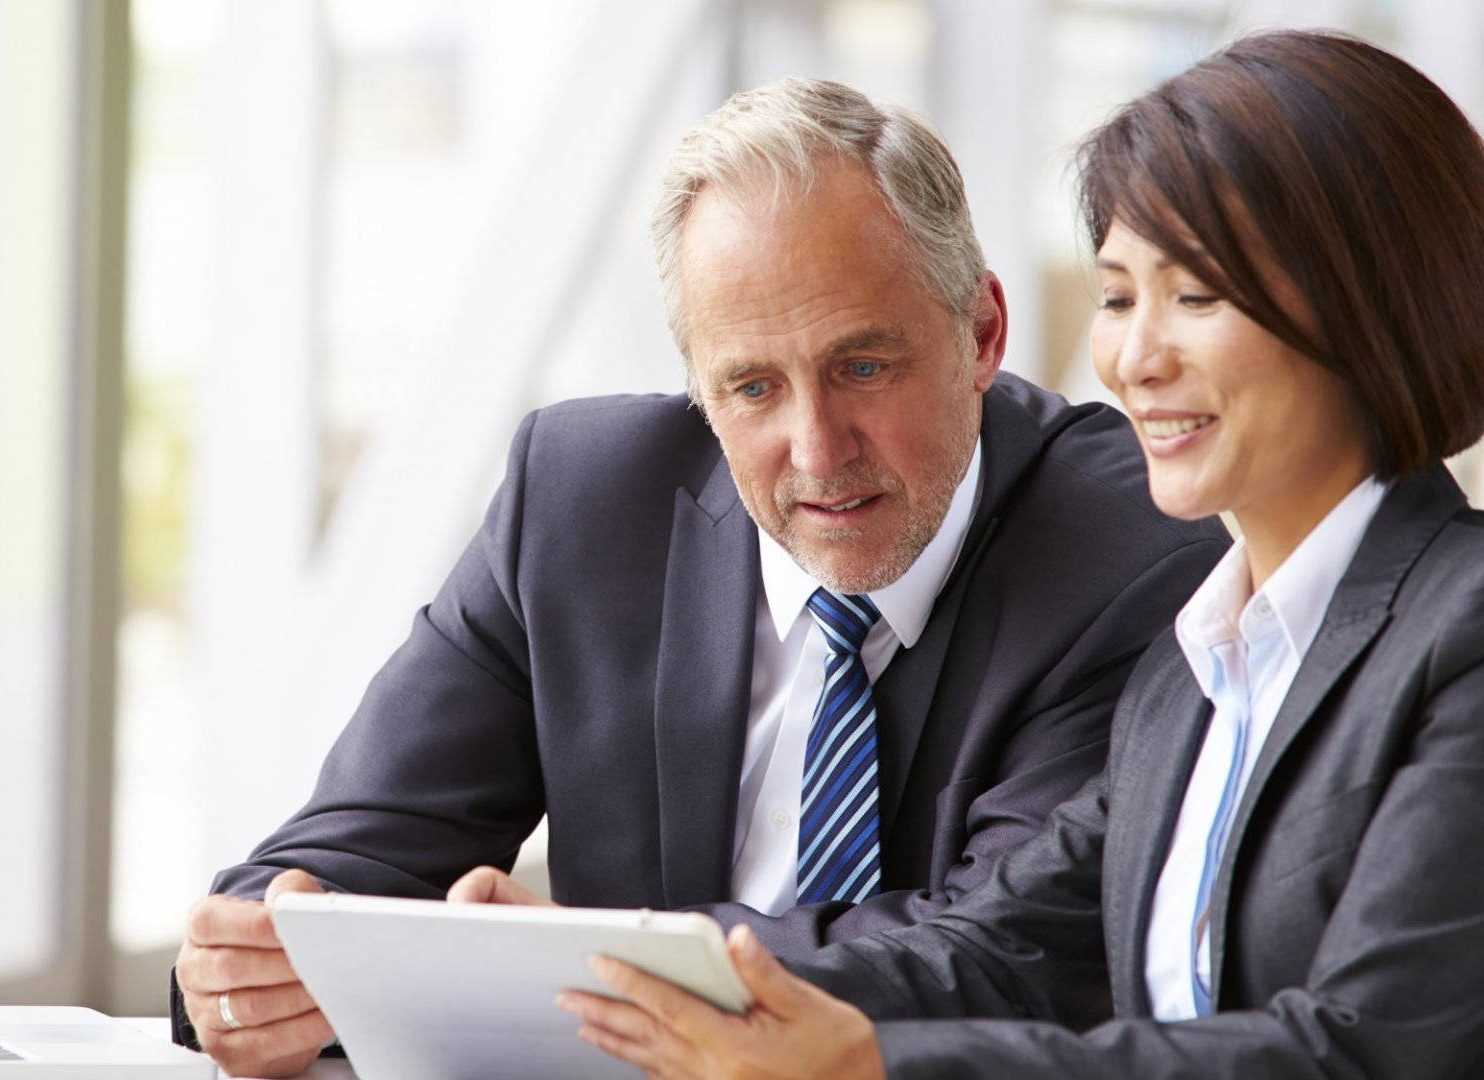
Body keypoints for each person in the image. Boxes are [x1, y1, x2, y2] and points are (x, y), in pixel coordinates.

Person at [173, 78, 1227, 1077]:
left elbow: (1004, 954)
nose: (817, 449)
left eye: (863, 367)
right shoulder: (583, 502)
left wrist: (599, 973)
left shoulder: (1133, 544)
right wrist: (248, 967)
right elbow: (345, 861)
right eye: (753, 387)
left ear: (982, 332)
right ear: (698, 390)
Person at [559, 28, 1484, 1079]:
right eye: (1119, 296)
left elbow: (1363, 1053)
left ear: (1375, 303)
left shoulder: (1462, 631)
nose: (1136, 357)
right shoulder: (1198, 672)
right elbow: (993, 950)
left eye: (1197, 297)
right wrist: (595, 972)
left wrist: (877, 1069)